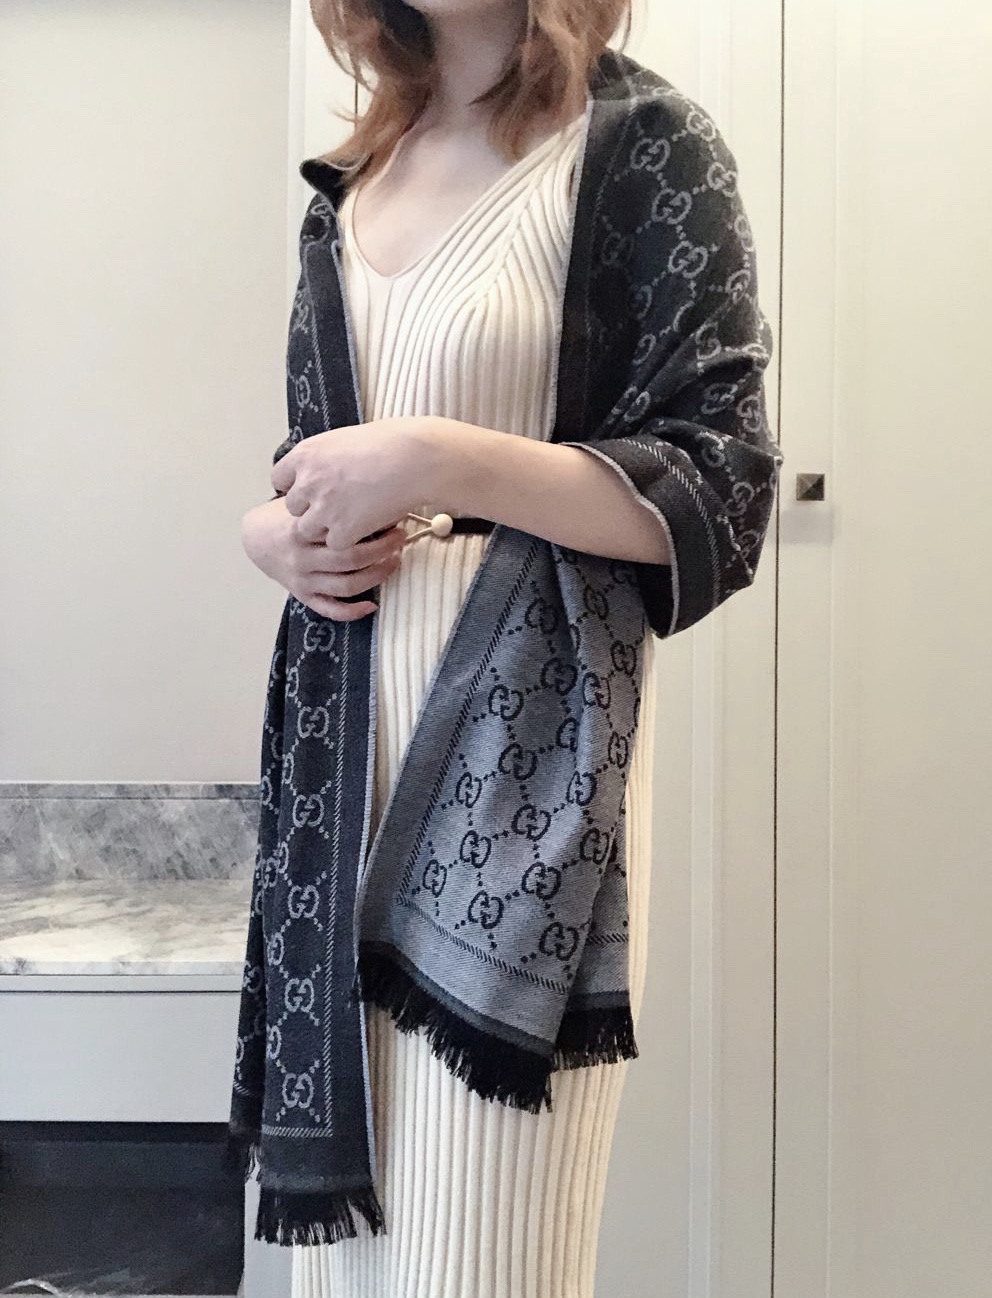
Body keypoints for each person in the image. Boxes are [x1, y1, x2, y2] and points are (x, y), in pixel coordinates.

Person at [236, 1, 776, 1294]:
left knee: (489, 1251)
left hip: (528, 756)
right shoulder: (355, 176)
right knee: (353, 1265)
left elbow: (724, 484)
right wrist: (272, 531)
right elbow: (321, 455)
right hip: (342, 746)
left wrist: (442, 457)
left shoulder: (643, 144)